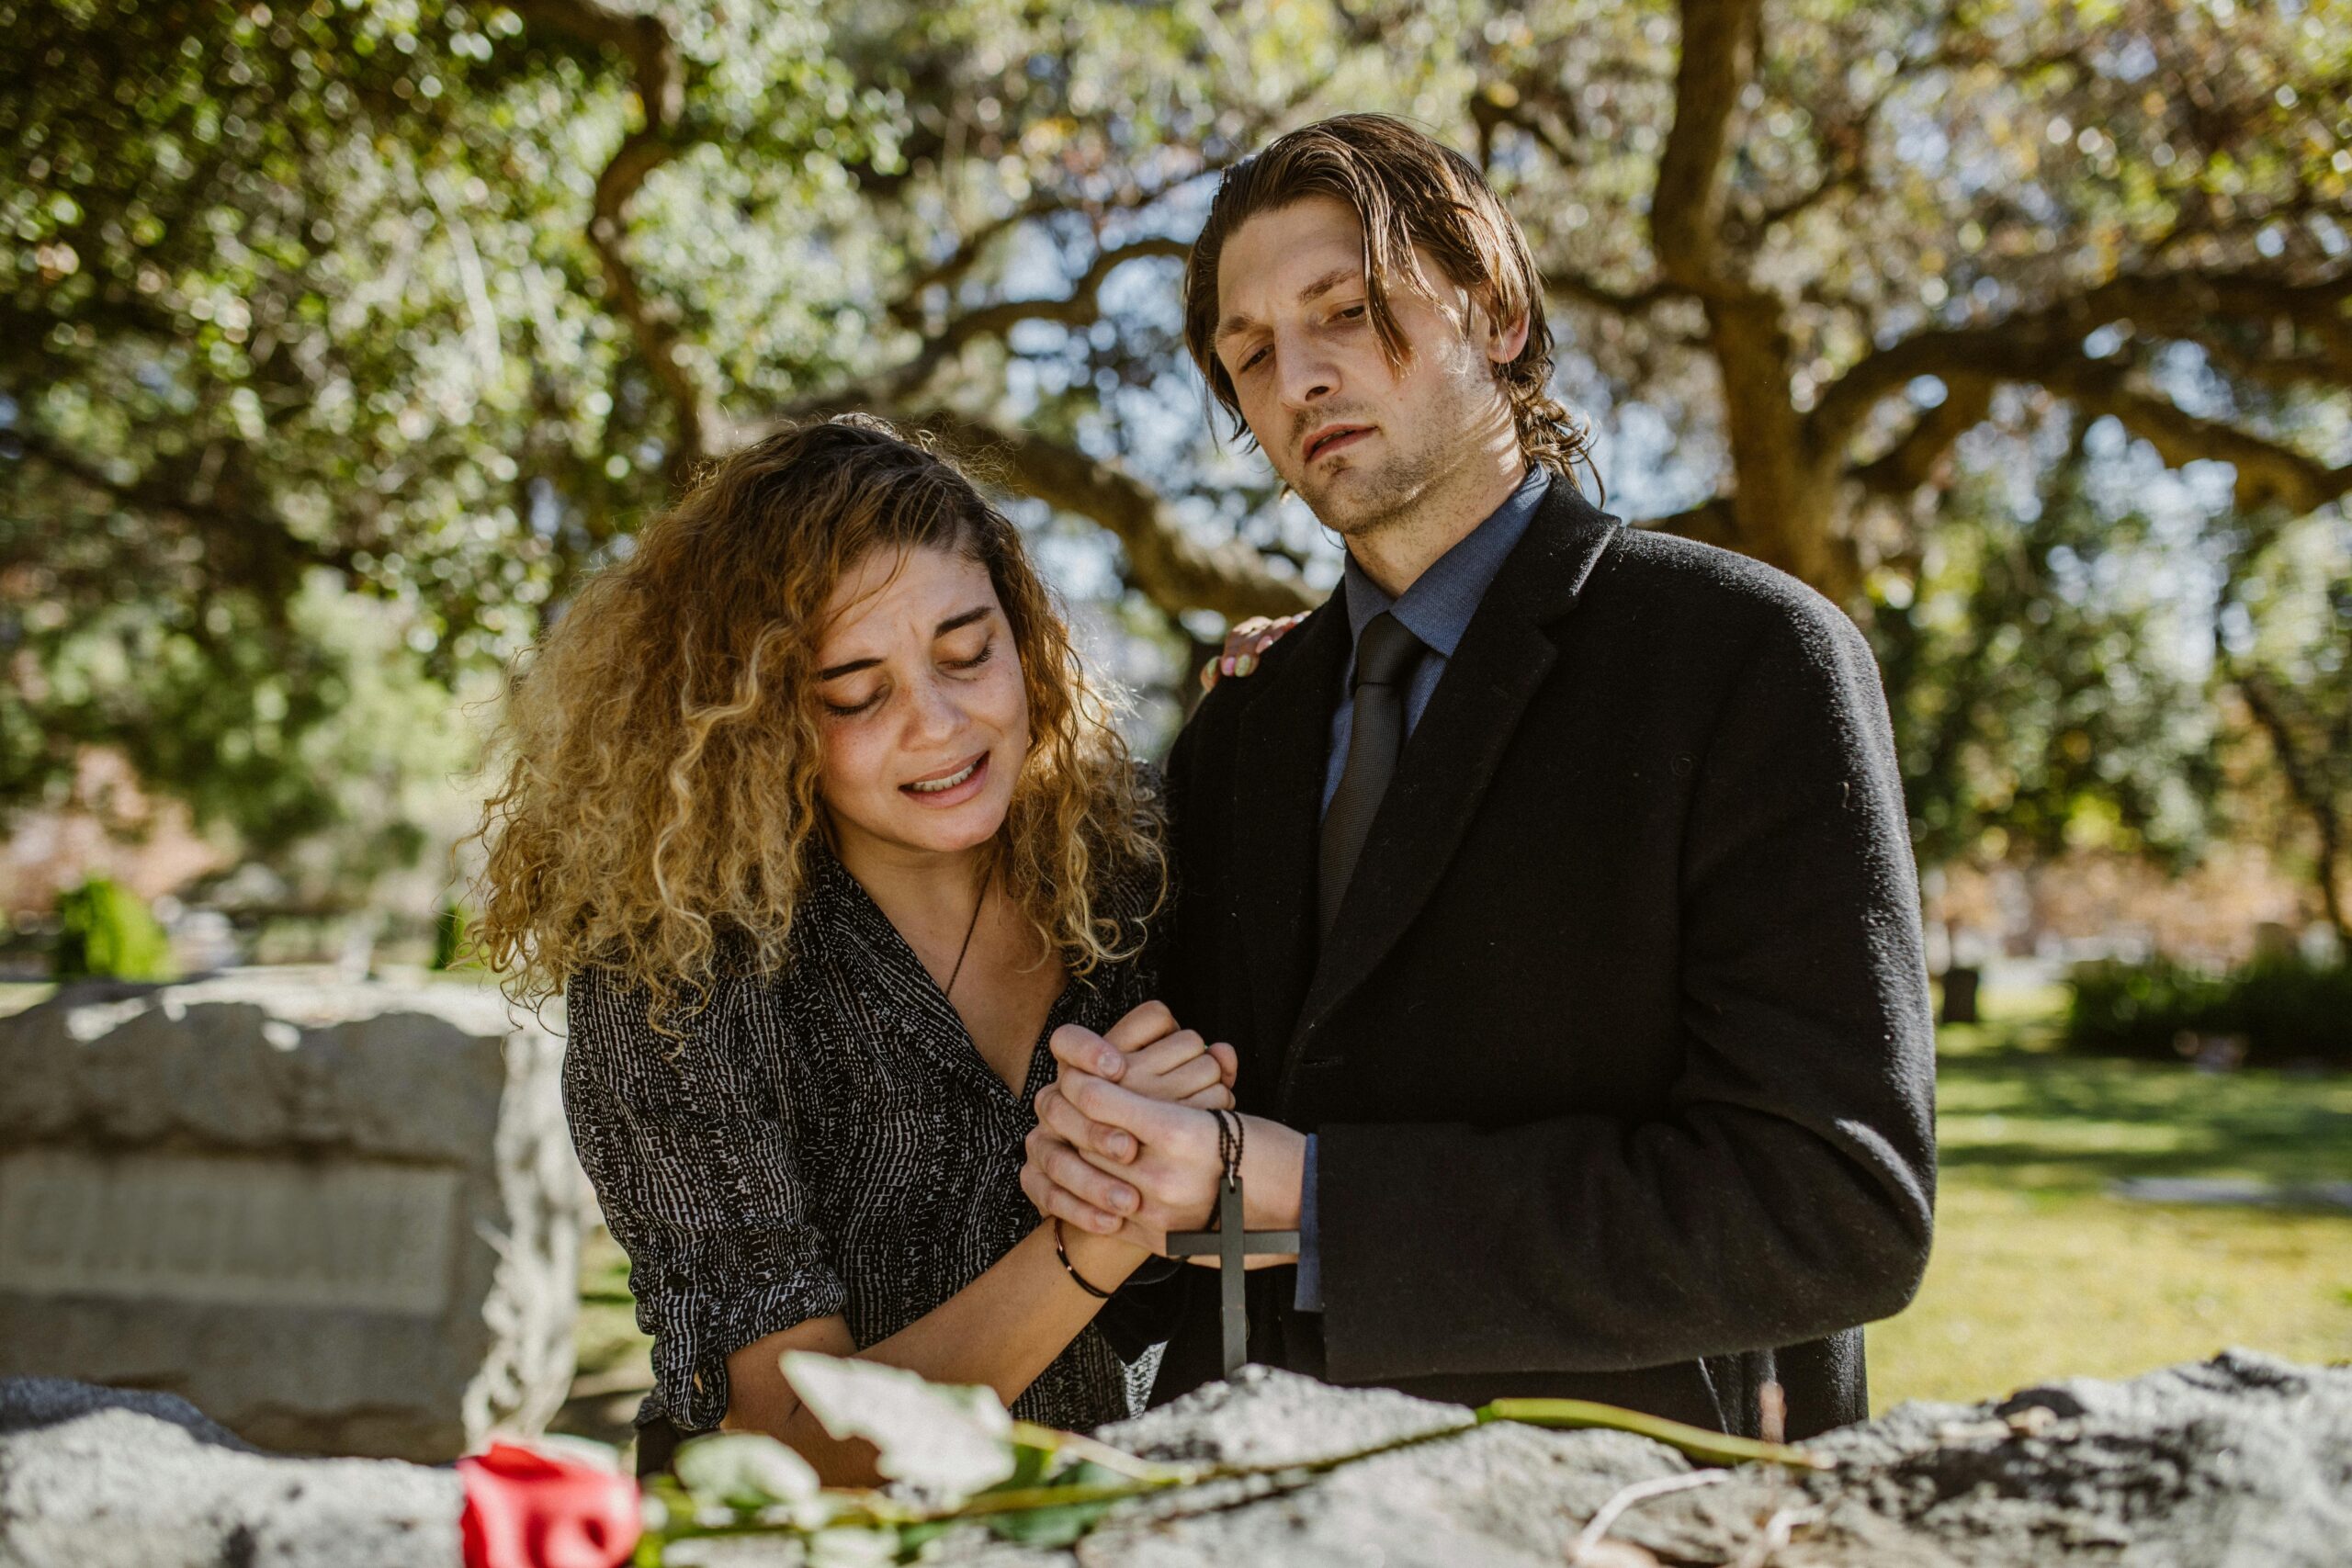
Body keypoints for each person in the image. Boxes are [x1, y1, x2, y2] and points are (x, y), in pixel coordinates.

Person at [1021, 114, 1938, 1439]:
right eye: (1252, 352)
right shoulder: (1239, 729)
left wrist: (1316, 1192)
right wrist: (1117, 1157)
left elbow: (1833, 1209)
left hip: (1626, 1506)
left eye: (1347, 311)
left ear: (1496, 311)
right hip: (1271, 1507)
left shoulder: (1749, 657)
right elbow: (1193, 1189)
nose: (1301, 377)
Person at [468, 417, 1240, 1482]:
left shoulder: (1136, 865)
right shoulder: (674, 976)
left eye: (968, 652)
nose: (938, 724)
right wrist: (1103, 1223)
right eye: (855, 692)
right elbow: (796, 1438)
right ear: (757, 718)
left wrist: (1312, 671)